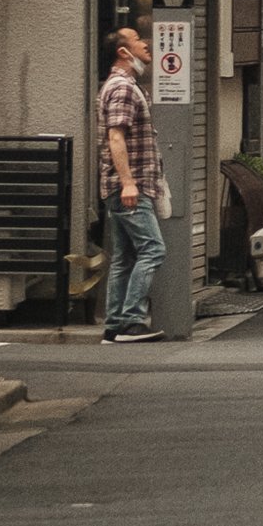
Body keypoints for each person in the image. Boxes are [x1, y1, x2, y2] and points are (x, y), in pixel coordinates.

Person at [98, 23, 169, 341]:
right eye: (138, 40)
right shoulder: (124, 88)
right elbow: (116, 136)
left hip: (127, 184)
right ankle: (130, 320)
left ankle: (115, 323)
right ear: (123, 52)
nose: (146, 43)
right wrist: (128, 183)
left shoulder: (122, 85)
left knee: (126, 256)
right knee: (153, 249)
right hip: (131, 185)